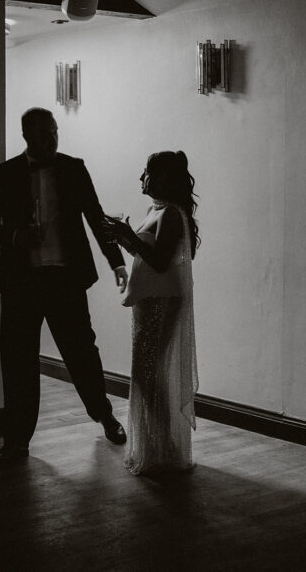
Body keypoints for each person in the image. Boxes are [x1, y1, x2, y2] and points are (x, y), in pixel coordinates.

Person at [0, 107, 130, 469]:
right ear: (27, 136)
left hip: (66, 280)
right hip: (21, 284)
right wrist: (15, 236)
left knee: (82, 354)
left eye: (55, 132)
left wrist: (117, 261)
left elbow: (95, 216)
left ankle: (105, 416)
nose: (53, 138)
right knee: (17, 364)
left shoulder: (73, 168)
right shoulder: (4, 174)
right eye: (46, 134)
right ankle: (16, 443)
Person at [102, 151, 199, 475]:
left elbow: (159, 262)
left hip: (162, 302)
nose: (140, 178)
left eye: (145, 172)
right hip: (149, 301)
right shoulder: (154, 210)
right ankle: (157, 447)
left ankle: (166, 447)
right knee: (146, 375)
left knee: (149, 375)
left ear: (161, 178)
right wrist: (123, 237)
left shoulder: (171, 214)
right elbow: (146, 255)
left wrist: (128, 235)